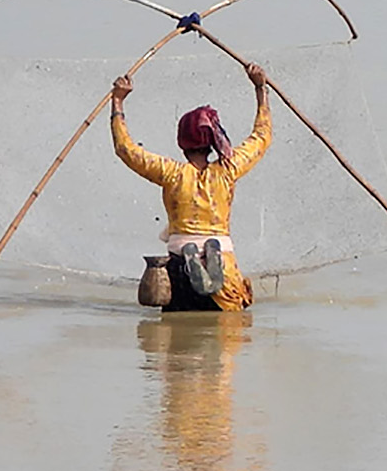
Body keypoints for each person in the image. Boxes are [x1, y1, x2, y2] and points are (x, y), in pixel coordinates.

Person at [110, 62, 272, 311]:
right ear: (212, 142)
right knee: (226, 339)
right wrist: (261, 88)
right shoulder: (228, 170)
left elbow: (126, 149)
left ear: (181, 142)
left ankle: (193, 258)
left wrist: (117, 102)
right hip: (225, 275)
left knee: (177, 343)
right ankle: (210, 259)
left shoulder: (171, 173)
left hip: (177, 274)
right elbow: (261, 137)